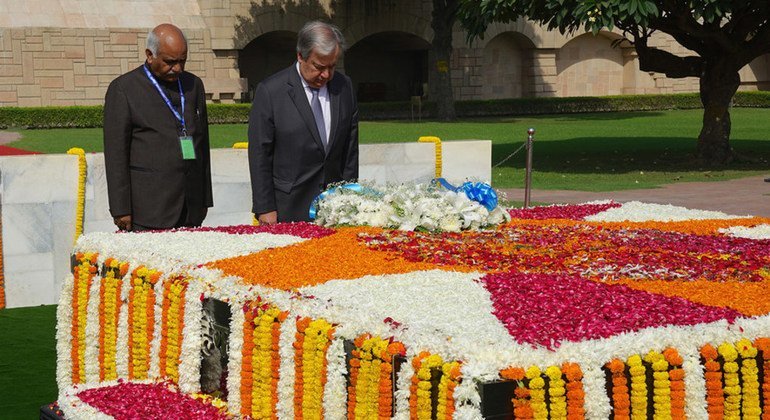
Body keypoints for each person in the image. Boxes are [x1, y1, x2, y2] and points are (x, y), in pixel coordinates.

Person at [103, 23, 213, 231]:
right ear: (150, 55)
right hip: (150, 208)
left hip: (191, 206)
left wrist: (204, 198)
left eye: (182, 61)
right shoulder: (124, 89)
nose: (178, 68)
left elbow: (202, 144)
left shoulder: (193, 85)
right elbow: (116, 154)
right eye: (170, 62)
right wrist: (120, 208)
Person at [248, 20, 359, 224]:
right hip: (287, 208)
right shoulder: (271, 92)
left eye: (332, 66)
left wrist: (351, 199)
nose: (326, 75)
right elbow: (260, 154)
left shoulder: (345, 87)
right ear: (300, 56)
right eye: (319, 67)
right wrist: (265, 208)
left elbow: (350, 151)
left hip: (335, 209)